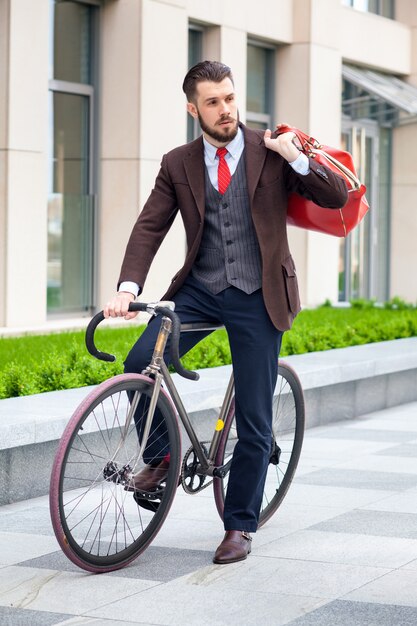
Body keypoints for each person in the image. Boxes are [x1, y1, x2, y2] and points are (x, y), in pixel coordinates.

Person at [104, 60, 348, 564]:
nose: (225, 110)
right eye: (212, 102)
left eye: (230, 98)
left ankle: (240, 525)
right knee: (138, 362)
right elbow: (150, 226)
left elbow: (336, 194)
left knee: (255, 420)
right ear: (193, 108)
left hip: (259, 294)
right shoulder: (178, 162)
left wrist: (298, 159)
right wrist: (128, 288)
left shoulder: (272, 149)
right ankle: (163, 455)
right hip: (200, 289)